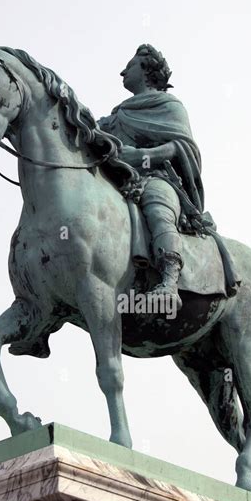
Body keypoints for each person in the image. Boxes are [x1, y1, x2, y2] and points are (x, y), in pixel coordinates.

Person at [97, 44, 206, 311]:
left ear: (146, 70)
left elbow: (183, 148)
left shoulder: (169, 106)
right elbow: (92, 134)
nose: (123, 71)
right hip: (119, 180)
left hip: (156, 177)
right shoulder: (117, 115)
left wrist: (142, 155)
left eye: (130, 65)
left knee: (158, 204)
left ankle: (169, 282)